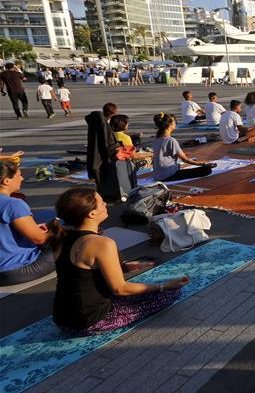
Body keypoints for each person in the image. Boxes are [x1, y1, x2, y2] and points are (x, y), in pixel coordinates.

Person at [50, 187, 187, 334]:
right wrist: (163, 286)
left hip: (61, 318)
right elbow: (120, 289)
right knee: (171, 293)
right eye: (102, 203)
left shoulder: (60, 236)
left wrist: (129, 267)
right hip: (89, 322)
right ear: (91, 213)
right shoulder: (101, 243)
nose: (106, 205)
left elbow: (82, 273)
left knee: (138, 291)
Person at [0, 160, 59, 286]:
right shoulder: (13, 204)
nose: (21, 178)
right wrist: (54, 229)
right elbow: (39, 239)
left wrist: (31, 228)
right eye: (19, 175)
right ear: (6, 181)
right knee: (68, 243)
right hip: (12, 269)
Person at [153, 113, 214, 182]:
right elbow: (185, 160)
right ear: (170, 125)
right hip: (167, 175)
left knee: (178, 165)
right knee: (207, 170)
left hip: (157, 174)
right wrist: (202, 164)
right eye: (174, 122)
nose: (175, 123)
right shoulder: (171, 140)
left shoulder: (157, 138)